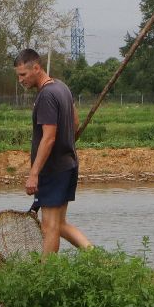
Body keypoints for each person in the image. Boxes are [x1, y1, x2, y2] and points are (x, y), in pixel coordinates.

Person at [13, 48, 90, 254]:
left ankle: (47, 271)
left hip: (53, 168)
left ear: (36, 68)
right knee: (59, 224)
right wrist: (67, 141)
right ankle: (98, 258)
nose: (20, 80)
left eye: (23, 74)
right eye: (18, 75)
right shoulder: (61, 87)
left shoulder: (46, 95)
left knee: (49, 226)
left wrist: (34, 174)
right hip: (69, 164)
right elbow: (75, 122)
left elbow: (48, 138)